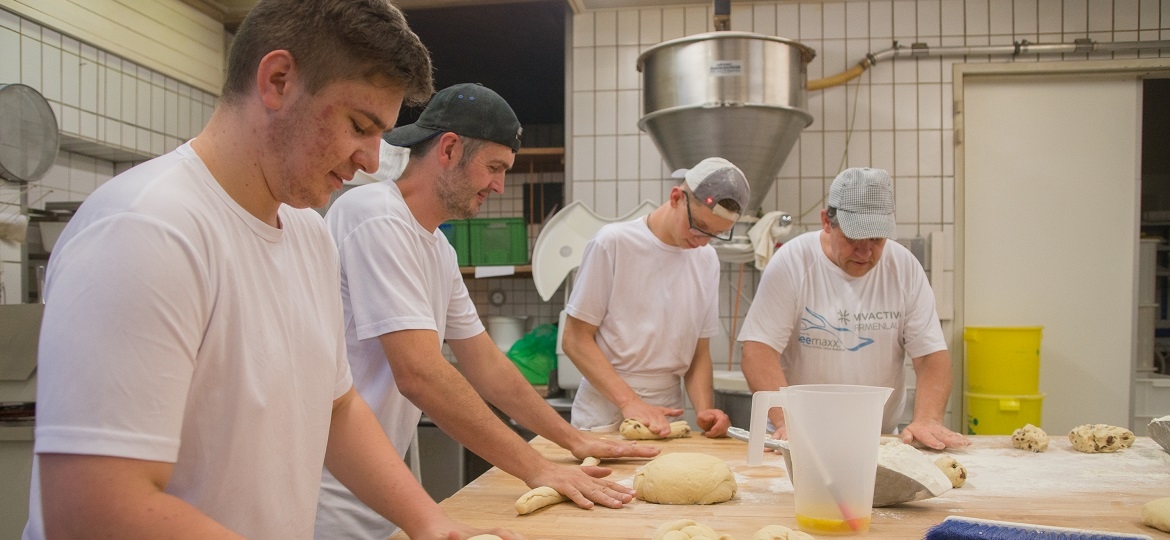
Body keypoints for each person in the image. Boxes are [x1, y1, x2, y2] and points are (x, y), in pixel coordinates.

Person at [23, 2, 522, 539]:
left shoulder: (307, 234)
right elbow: (92, 507)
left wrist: (433, 525)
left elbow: (337, 410)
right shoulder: (145, 230)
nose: (372, 161)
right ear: (278, 80)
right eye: (359, 125)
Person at [316, 83, 659, 538]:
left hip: (381, 492)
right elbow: (418, 372)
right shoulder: (375, 215)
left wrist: (571, 439)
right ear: (450, 149)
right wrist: (536, 468)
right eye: (494, 168)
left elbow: (485, 362)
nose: (499, 185)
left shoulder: (436, 245)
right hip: (333, 496)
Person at [738, 167, 969, 450]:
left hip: (877, 439)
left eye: (876, 240)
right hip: (799, 439)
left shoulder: (904, 267)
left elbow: (930, 355)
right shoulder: (793, 262)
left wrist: (928, 419)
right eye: (853, 240)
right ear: (826, 221)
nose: (865, 252)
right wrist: (785, 421)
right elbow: (759, 351)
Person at [562, 157, 747, 438]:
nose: (702, 241)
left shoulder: (706, 259)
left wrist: (704, 410)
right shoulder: (613, 243)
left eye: (716, 234)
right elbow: (575, 340)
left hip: (666, 412)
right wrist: (630, 402)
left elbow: (699, 353)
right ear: (676, 198)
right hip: (604, 410)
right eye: (698, 227)